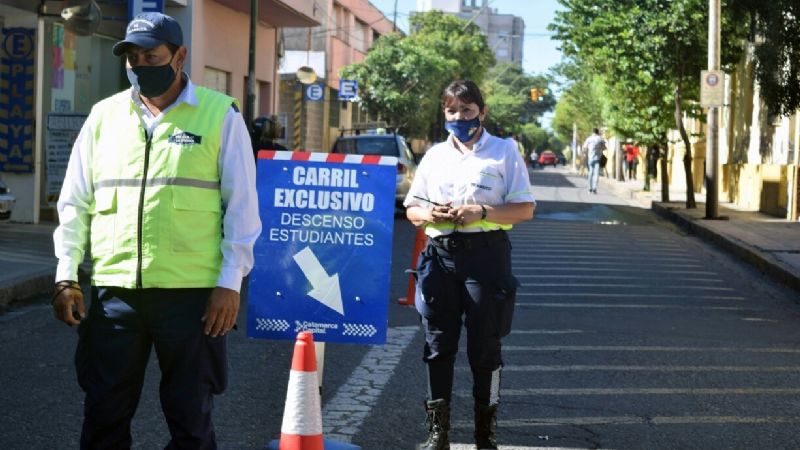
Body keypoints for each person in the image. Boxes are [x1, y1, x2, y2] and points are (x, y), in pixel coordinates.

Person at [51, 12, 261, 449]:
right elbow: (75, 201)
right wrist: (66, 275)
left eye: (152, 56)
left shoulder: (219, 115)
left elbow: (242, 207)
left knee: (190, 419)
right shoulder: (104, 116)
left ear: (180, 56)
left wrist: (230, 283)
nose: (141, 66)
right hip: (115, 294)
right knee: (104, 415)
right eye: (133, 58)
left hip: (191, 298)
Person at [404, 80, 535, 450]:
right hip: (440, 258)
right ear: (444, 113)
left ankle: (484, 434)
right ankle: (438, 433)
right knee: (437, 345)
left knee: (485, 348)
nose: (459, 118)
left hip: (486, 258)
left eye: (467, 110)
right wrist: (429, 213)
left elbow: (525, 208)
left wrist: (482, 212)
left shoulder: (504, 151)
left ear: (482, 112)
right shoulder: (435, 156)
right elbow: (411, 208)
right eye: (452, 111)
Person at [583, 128, 606, 193]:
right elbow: (604, 148)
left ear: (592, 132)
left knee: (590, 173)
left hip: (590, 158)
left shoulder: (589, 139)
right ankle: (594, 188)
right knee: (596, 173)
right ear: (598, 132)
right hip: (597, 158)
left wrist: (585, 154)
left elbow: (584, 148)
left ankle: (589, 188)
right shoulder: (600, 139)